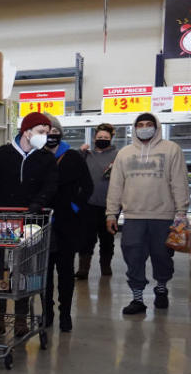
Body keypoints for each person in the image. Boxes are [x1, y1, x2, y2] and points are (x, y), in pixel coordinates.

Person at [0, 111, 58, 337]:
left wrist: (38, 203)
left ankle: (21, 319)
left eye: (48, 132)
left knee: (26, 269)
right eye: (41, 132)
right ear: (27, 131)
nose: (45, 137)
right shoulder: (3, 153)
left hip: (31, 222)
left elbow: (51, 186)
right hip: (2, 222)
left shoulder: (46, 158)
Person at [105, 112, 189, 314]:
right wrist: (111, 213)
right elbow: (116, 185)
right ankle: (138, 299)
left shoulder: (172, 149)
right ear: (135, 128)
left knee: (162, 255)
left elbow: (179, 182)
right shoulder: (124, 153)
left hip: (164, 215)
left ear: (156, 126)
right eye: (140, 124)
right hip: (133, 216)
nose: (144, 127)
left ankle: (161, 287)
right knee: (133, 256)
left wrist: (181, 211)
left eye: (148, 124)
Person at [41, 113, 92, 332]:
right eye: (46, 132)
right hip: (41, 223)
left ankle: (65, 314)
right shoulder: (36, 157)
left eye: (55, 132)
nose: (51, 136)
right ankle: (47, 312)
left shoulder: (72, 157)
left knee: (65, 271)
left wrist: (74, 207)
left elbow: (87, 187)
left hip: (67, 223)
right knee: (44, 272)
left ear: (60, 133)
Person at [75, 123, 118, 278]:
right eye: (100, 137)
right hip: (88, 204)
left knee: (107, 239)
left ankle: (105, 267)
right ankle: (83, 269)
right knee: (86, 238)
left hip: (110, 205)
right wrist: (80, 152)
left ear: (111, 139)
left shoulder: (117, 156)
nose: (102, 139)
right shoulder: (87, 154)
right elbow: (74, 167)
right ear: (94, 138)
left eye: (106, 137)